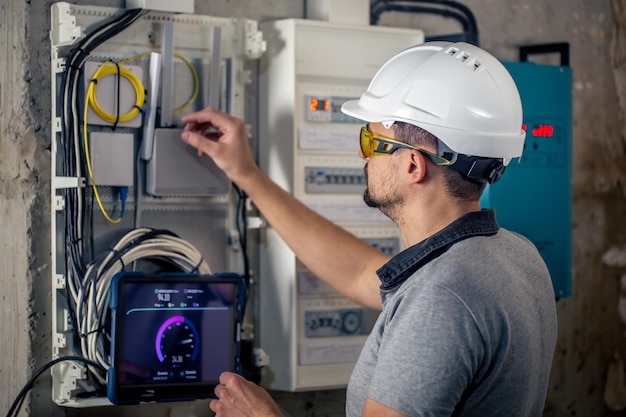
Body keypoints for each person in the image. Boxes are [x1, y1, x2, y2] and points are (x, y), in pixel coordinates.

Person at [180, 41, 558, 417]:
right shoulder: (514, 255)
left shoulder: (441, 297)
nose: (361, 155)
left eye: (370, 140)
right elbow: (360, 272)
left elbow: (431, 300)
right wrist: (246, 174)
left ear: (413, 165)